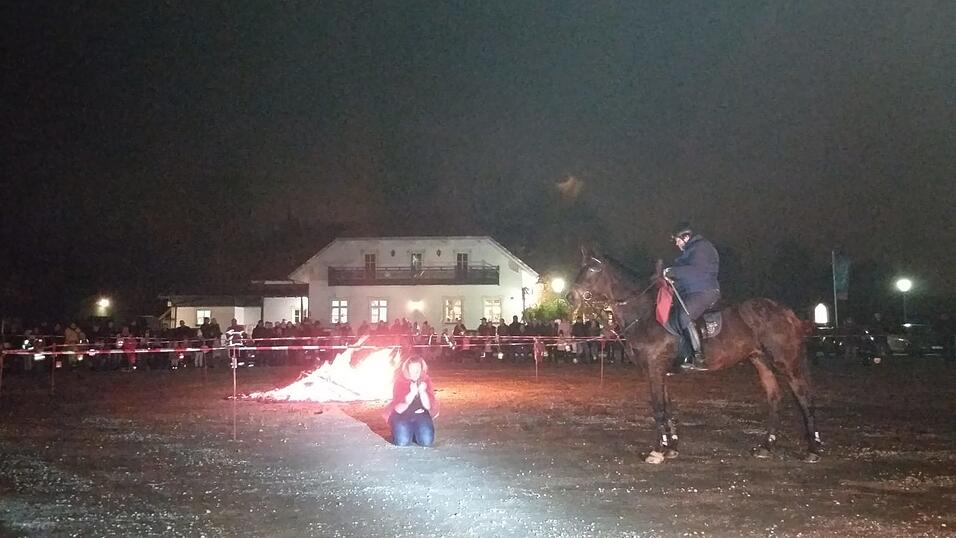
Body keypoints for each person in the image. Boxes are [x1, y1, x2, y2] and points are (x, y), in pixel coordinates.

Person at [664, 222, 720, 371]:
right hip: (694, 291)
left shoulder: (701, 248)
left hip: (704, 291)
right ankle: (681, 354)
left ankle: (697, 356)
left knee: (683, 316)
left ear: (686, 237)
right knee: (674, 315)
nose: (676, 243)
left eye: (677, 240)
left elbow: (695, 271)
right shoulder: (690, 251)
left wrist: (673, 272)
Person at [384, 355, 439, 447]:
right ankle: (400, 430)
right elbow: (398, 409)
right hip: (402, 415)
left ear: (422, 369)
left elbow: (428, 406)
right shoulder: (400, 381)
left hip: (420, 414)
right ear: (407, 370)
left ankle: (414, 431)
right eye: (412, 369)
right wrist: (412, 394)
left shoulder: (425, 380)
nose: (415, 373)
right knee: (402, 442)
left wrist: (422, 392)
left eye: (418, 369)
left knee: (427, 441)